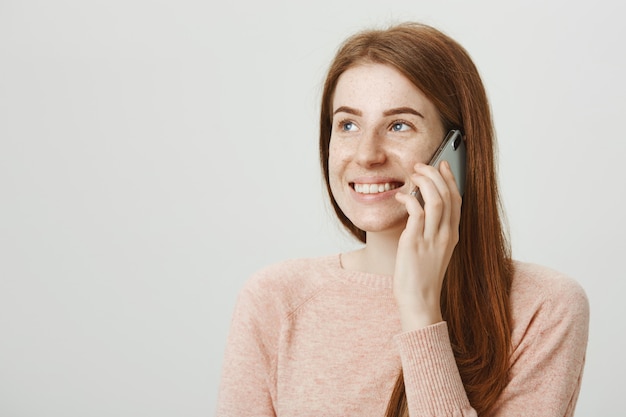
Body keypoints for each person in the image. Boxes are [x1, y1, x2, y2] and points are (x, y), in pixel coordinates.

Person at [216, 22, 589, 417]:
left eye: (399, 125)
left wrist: (419, 309)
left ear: (456, 152)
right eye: (347, 124)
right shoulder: (275, 299)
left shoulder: (544, 307)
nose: (366, 154)